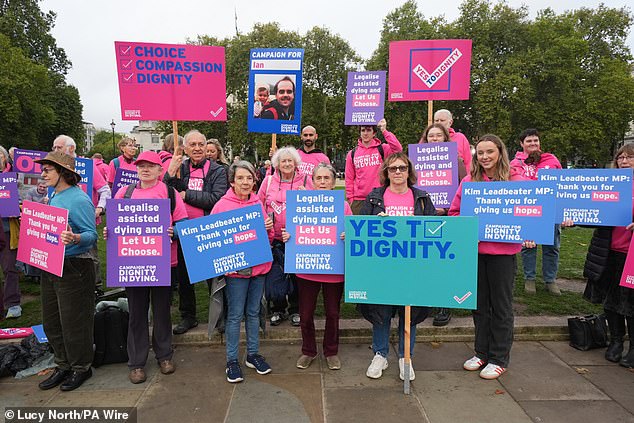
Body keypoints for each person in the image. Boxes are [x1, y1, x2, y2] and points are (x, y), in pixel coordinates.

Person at [449, 135, 535, 380]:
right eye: (481, 153)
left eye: (490, 152)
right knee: (479, 306)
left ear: (500, 152)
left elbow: (529, 211)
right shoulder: (469, 181)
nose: (485, 157)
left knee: (501, 307)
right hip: (475, 253)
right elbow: (455, 212)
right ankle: (481, 352)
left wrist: (529, 231)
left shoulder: (515, 181)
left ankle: (499, 357)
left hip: (503, 255)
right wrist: (466, 230)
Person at [109, 151, 188, 384]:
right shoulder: (125, 193)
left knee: (162, 311)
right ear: (136, 169)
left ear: (159, 170)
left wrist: (175, 232)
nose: (145, 169)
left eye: (150, 166)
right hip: (132, 262)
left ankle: (164, 355)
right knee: (137, 312)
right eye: (141, 165)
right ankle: (136, 363)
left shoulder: (170, 193)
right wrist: (109, 231)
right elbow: (116, 221)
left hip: (164, 261)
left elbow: (183, 222)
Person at [359, 152, 435, 381]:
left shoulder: (421, 199)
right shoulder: (374, 198)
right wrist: (375, 225)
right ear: (386, 172)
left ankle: (405, 357)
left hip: (413, 267)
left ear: (409, 171)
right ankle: (380, 354)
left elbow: (434, 230)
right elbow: (361, 229)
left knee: (408, 313)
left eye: (402, 168)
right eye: (393, 169)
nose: (398, 172)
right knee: (381, 313)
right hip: (383, 268)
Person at [34, 151, 97, 391]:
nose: (42, 174)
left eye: (48, 170)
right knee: (52, 322)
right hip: (51, 265)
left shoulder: (78, 199)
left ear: (63, 172)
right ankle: (63, 364)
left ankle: (81, 367)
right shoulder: (54, 196)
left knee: (74, 322)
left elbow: (91, 236)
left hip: (74, 267)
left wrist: (75, 237)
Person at [281, 163, 351, 371]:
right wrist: (288, 236)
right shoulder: (301, 204)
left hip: (334, 269)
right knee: (305, 314)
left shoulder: (344, 205)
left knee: (332, 313)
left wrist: (349, 234)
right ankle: (308, 350)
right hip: (307, 268)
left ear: (333, 182)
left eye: (326, 178)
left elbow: (352, 230)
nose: (322, 182)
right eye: (318, 178)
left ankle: (331, 351)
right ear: (312, 181)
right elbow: (291, 228)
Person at [211, 161, 274, 383]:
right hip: (236, 272)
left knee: (254, 312)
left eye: (249, 178)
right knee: (235, 315)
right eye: (240, 178)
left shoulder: (259, 203)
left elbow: (269, 238)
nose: (245, 182)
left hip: (258, 269)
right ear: (232, 181)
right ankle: (231, 360)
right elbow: (214, 241)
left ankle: (253, 354)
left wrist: (269, 228)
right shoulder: (221, 206)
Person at [164, 130, 228, 334]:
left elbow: (216, 198)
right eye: (193, 145)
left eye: (201, 144)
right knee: (184, 279)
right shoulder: (180, 168)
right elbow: (165, 193)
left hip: (208, 231)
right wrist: (169, 173)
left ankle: (220, 316)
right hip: (183, 231)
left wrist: (185, 194)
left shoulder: (217, 171)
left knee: (214, 279)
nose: (198, 148)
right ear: (185, 148)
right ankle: (188, 316)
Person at [582, 144, 634, 368]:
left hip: (630, 255)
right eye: (620, 157)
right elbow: (592, 212)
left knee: (630, 304)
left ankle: (633, 347)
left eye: (630, 157)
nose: (624, 161)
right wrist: (572, 218)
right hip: (607, 252)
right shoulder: (608, 184)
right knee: (610, 301)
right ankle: (615, 341)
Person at [418, 123, 468, 327]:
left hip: (447, 217)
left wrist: (447, 210)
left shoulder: (456, 160)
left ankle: (444, 306)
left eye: (439, 135)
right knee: (426, 261)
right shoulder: (417, 160)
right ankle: (427, 300)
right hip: (424, 217)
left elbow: (465, 187)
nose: (435, 139)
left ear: (446, 138)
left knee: (443, 262)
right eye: (431, 136)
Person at [258, 146, 312, 327]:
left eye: (290, 160)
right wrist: (264, 221)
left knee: (297, 276)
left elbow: (316, 206)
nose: (287, 164)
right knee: (275, 275)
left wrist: (308, 197)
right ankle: (277, 309)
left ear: (296, 162)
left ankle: (296, 309)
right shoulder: (267, 181)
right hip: (273, 237)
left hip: (297, 238)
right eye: (283, 161)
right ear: (277, 164)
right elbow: (258, 204)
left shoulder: (305, 180)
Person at [510, 129, 563, 295]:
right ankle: (529, 278)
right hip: (527, 211)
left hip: (551, 210)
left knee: (552, 246)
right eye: (529, 141)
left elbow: (563, 185)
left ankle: (550, 280)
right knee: (528, 246)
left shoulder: (551, 160)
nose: (533, 144)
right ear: (521, 144)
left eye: (535, 140)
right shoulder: (515, 164)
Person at [345, 119, 402, 215]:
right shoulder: (352, 153)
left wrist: (384, 130)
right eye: (363, 130)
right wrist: (351, 198)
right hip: (359, 200)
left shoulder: (382, 149)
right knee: (359, 230)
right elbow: (349, 178)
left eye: (368, 130)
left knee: (378, 229)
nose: (365, 133)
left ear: (374, 133)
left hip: (379, 197)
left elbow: (398, 149)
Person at [0, 146, 20, 318]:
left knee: (9, 267)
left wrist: (17, 207)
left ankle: (12, 303)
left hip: (7, 229)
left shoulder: (14, 176)